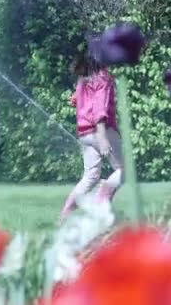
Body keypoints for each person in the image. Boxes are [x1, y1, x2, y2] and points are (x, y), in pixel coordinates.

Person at [59, 50, 124, 224]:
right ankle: (104, 193)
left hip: (84, 133)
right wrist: (103, 137)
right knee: (124, 170)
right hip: (100, 131)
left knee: (90, 176)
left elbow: (77, 99)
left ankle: (65, 214)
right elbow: (99, 109)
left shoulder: (83, 79)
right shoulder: (103, 77)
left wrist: (76, 99)